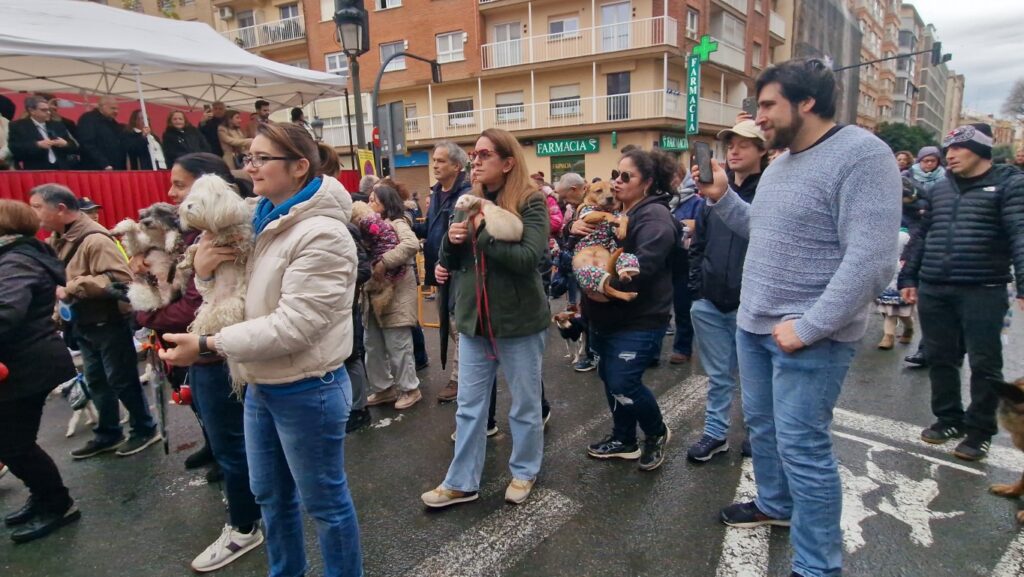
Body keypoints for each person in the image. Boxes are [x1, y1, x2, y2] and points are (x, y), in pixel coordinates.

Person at [696, 59, 900, 577]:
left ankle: (816, 567)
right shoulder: (782, 165)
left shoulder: (861, 155)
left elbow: (872, 261)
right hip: (754, 326)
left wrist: (809, 327)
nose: (758, 117)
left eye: (767, 105)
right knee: (762, 429)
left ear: (806, 102)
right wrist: (721, 200)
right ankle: (773, 504)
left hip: (811, 339)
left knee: (805, 450)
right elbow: (760, 232)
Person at [160, 122, 363, 577]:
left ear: (298, 167)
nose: (249, 167)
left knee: (325, 505)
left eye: (260, 158)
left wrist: (208, 344)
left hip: (308, 387)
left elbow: (295, 327)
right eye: (247, 157)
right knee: (270, 495)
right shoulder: (262, 218)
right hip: (260, 383)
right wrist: (206, 273)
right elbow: (236, 294)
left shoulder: (322, 234)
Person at [133, 152, 264, 571]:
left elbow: (187, 309)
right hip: (207, 352)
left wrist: (152, 309)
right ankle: (251, 514)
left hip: (217, 353)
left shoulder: (227, 235)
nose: (172, 195)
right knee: (231, 444)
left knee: (236, 447)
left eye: (179, 185)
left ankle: (245, 525)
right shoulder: (199, 240)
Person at [422, 128, 548, 508]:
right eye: (473, 155)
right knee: (469, 407)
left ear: (508, 163)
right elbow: (449, 260)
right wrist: (452, 242)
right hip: (474, 321)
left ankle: (525, 471)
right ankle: (461, 481)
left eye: (484, 155)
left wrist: (483, 235)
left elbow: (528, 259)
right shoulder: (466, 200)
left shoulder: (531, 202)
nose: (474, 161)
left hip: (519, 321)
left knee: (525, 405)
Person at [899, 123, 1024, 462]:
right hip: (936, 287)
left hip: (984, 288)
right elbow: (921, 235)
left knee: (985, 363)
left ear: (981, 151)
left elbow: (1020, 234)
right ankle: (948, 419)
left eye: (958, 149)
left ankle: (980, 430)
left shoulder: (1009, 184)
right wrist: (908, 277)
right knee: (941, 357)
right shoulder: (940, 189)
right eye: (947, 149)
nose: (948, 156)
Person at [29, 184, 162, 459]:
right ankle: (108, 433)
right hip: (83, 322)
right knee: (97, 381)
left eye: (37, 207)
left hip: (108, 320)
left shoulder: (95, 239)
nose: (34, 213)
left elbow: (121, 281)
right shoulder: (57, 239)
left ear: (61, 209)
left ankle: (144, 428)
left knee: (122, 380)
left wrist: (75, 286)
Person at [579, 148, 676, 471]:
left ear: (647, 182)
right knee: (609, 376)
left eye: (626, 177)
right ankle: (624, 439)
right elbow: (583, 247)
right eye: (615, 175)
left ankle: (656, 432)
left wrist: (601, 283)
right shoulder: (617, 212)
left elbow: (643, 266)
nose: (616, 183)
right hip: (605, 313)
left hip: (640, 316)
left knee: (623, 381)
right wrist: (575, 232)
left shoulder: (655, 217)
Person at [685, 119, 767, 463]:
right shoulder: (709, 195)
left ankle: (758, 435)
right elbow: (698, 244)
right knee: (718, 377)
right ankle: (716, 434)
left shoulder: (771, 190)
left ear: (763, 150)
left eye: (744, 144)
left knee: (756, 380)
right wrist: (697, 288)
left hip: (751, 305)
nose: (733, 150)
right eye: (730, 144)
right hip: (710, 301)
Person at [0, 199, 80, 544]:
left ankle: (57, 502)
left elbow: (7, 311)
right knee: (14, 442)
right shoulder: (17, 256)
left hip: (26, 364)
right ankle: (43, 495)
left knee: (14, 444)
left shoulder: (15, 260)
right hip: (23, 362)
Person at [413, 141, 471, 401]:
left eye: (441, 161)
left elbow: (464, 236)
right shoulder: (437, 192)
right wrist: (408, 225)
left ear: (457, 166)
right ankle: (462, 376)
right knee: (447, 324)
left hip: (458, 271)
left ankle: (461, 379)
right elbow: (433, 229)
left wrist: (448, 261)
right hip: (439, 270)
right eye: (434, 160)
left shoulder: (466, 194)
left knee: (460, 326)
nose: (435, 165)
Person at [362, 183, 423, 411]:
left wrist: (384, 261)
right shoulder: (366, 227)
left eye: (374, 200)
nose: (369, 204)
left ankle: (410, 389)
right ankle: (383, 388)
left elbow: (411, 244)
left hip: (396, 294)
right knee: (372, 344)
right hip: (372, 295)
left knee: (398, 344)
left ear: (387, 204)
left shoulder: (398, 223)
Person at [901, 145, 946, 367]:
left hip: (937, 246)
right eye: (925, 161)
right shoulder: (907, 177)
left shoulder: (947, 181)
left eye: (933, 161)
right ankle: (924, 348)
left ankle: (929, 349)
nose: (929, 165)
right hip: (907, 231)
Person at [667, 165, 703, 364]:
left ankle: (682, 348)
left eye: (675, 177)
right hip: (663, 258)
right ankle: (651, 352)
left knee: (682, 307)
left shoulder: (696, 202)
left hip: (684, 259)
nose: (671, 181)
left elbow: (700, 226)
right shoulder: (663, 201)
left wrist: (685, 225)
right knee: (658, 308)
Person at [7, 96, 78, 170]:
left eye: (48, 110)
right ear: (32, 111)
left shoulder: (57, 125)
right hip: (36, 169)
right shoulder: (19, 126)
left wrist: (65, 144)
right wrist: (37, 145)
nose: (48, 112)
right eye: (43, 110)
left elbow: (74, 146)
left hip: (60, 168)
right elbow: (14, 148)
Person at [875, 230, 914, 350]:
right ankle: (889, 336)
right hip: (888, 287)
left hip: (902, 287)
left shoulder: (905, 238)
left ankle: (909, 328)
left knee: (903, 314)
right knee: (890, 313)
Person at [77, 95, 127, 170]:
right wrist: (104, 163)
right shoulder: (88, 119)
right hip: (96, 169)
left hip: (115, 168)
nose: (116, 111)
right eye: (113, 108)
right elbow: (87, 144)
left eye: (117, 109)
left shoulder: (113, 123)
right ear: (102, 106)